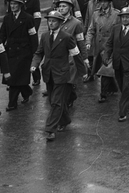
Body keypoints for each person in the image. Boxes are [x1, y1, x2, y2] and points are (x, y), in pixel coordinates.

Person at [30, 11, 87, 141]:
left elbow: (76, 55)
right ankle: (65, 119)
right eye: (49, 21)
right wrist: (35, 64)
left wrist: (83, 72)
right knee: (53, 101)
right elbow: (39, 53)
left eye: (54, 21)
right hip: (48, 73)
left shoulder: (67, 37)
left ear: (60, 23)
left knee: (56, 102)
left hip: (62, 74)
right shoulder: (44, 36)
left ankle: (50, 129)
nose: (51, 23)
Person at [0, 0, 38, 111]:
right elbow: (2, 35)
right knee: (14, 77)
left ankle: (12, 103)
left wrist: (34, 53)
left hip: (24, 52)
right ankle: (27, 92)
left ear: (20, 5)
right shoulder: (7, 18)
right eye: (11, 4)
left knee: (14, 78)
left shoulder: (28, 18)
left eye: (15, 4)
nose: (13, 6)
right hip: (10, 52)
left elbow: (33, 37)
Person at [85, 0, 120, 102]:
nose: (103, 4)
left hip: (111, 46)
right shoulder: (96, 14)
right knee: (103, 68)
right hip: (99, 45)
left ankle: (103, 94)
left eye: (105, 1)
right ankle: (113, 87)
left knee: (105, 69)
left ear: (110, 3)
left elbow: (120, 30)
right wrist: (88, 41)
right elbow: (91, 29)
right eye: (101, 1)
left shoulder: (116, 14)